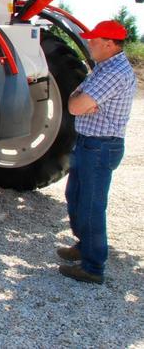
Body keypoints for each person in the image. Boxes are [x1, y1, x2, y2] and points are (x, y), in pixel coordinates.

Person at [59, 20, 137, 284]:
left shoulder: (113, 73)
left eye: (94, 40)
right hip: (89, 142)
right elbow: (77, 100)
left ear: (110, 44)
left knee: (91, 205)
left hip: (100, 145)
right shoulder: (104, 68)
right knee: (75, 196)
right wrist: (79, 100)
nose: (89, 44)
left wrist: (79, 101)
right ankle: (84, 246)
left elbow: (75, 105)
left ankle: (93, 267)